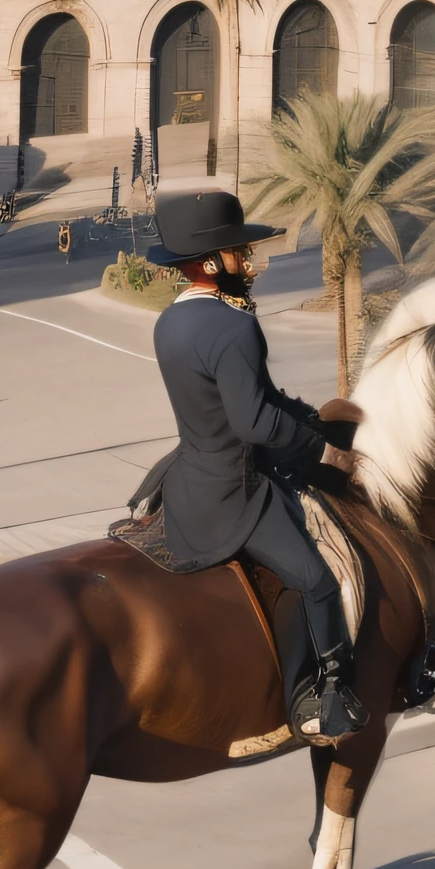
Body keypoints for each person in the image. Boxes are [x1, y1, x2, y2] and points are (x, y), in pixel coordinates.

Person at [140, 188, 364, 741]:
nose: (251, 264)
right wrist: (323, 449)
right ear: (213, 262)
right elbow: (255, 425)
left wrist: (311, 417)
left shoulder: (170, 322)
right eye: (241, 253)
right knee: (316, 578)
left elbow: (258, 398)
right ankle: (323, 698)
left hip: (187, 478)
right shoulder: (234, 326)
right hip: (234, 493)